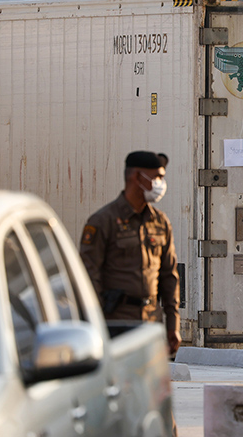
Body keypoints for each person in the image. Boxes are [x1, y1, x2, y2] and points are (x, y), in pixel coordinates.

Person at [80, 150, 181, 355]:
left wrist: (173, 324)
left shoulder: (160, 222)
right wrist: (97, 324)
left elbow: (169, 276)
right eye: (157, 177)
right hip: (117, 322)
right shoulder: (103, 221)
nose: (161, 183)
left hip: (151, 322)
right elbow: (89, 277)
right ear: (137, 177)